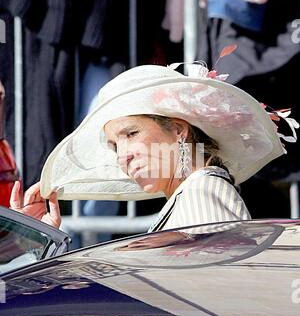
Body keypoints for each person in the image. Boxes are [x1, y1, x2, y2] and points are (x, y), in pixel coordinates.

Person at [9, 62, 295, 235]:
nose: (122, 155)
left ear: (178, 129)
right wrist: (43, 236)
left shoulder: (203, 191)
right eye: (114, 145)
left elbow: (210, 301)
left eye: (131, 134)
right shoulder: (192, 194)